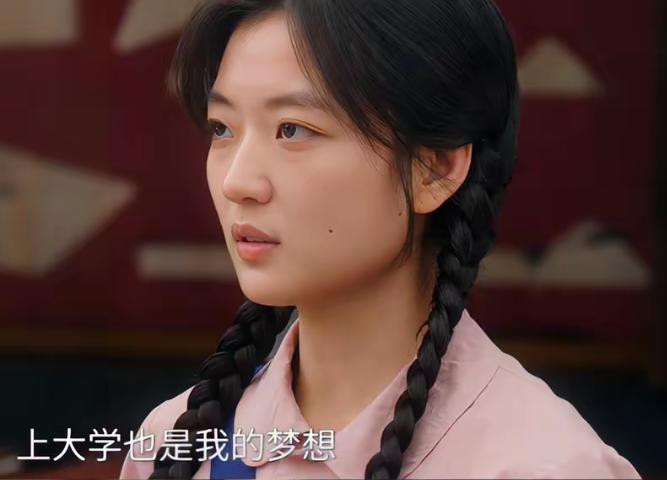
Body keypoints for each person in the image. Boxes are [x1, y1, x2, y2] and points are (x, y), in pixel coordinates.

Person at [119, 0, 641, 478]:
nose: (237, 181)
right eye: (222, 128)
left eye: (293, 129)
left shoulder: (543, 465)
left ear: (435, 168)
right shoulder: (176, 445)